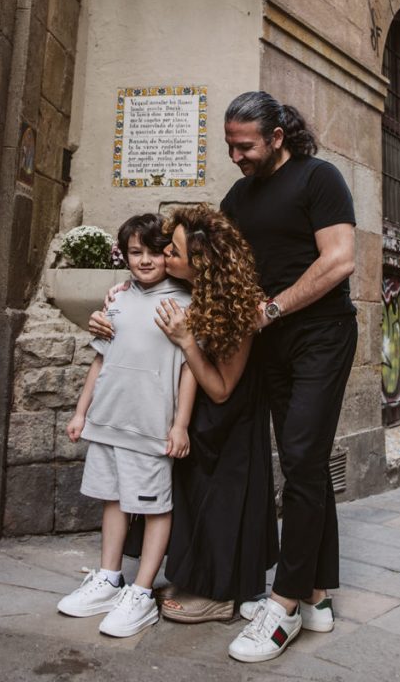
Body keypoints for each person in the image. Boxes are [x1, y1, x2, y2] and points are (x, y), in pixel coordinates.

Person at [92, 204, 279, 624]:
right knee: (187, 495)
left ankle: (223, 594)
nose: (164, 257)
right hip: (189, 409)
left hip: (230, 416)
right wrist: (117, 296)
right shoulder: (186, 290)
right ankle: (191, 577)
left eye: (172, 251)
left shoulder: (239, 306)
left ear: (201, 262)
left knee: (221, 501)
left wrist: (186, 340)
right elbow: (141, 300)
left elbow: (222, 388)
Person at [221, 91, 357, 665]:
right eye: (230, 145)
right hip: (270, 344)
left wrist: (272, 308)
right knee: (303, 460)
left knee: (301, 456)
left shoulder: (319, 179)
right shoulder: (238, 195)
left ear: (277, 137)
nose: (236, 156)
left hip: (321, 335)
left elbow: (340, 259)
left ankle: (284, 603)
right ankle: (318, 594)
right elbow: (210, 261)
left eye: (245, 145)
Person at [56, 213, 196, 638]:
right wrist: (82, 412)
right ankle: (108, 577)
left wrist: (181, 425)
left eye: (156, 251)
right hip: (107, 422)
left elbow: (190, 368)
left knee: (155, 507)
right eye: (136, 252)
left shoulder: (185, 302)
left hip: (151, 427)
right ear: (125, 256)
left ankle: (141, 591)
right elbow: (100, 360)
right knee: (113, 499)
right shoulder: (116, 299)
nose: (146, 260)